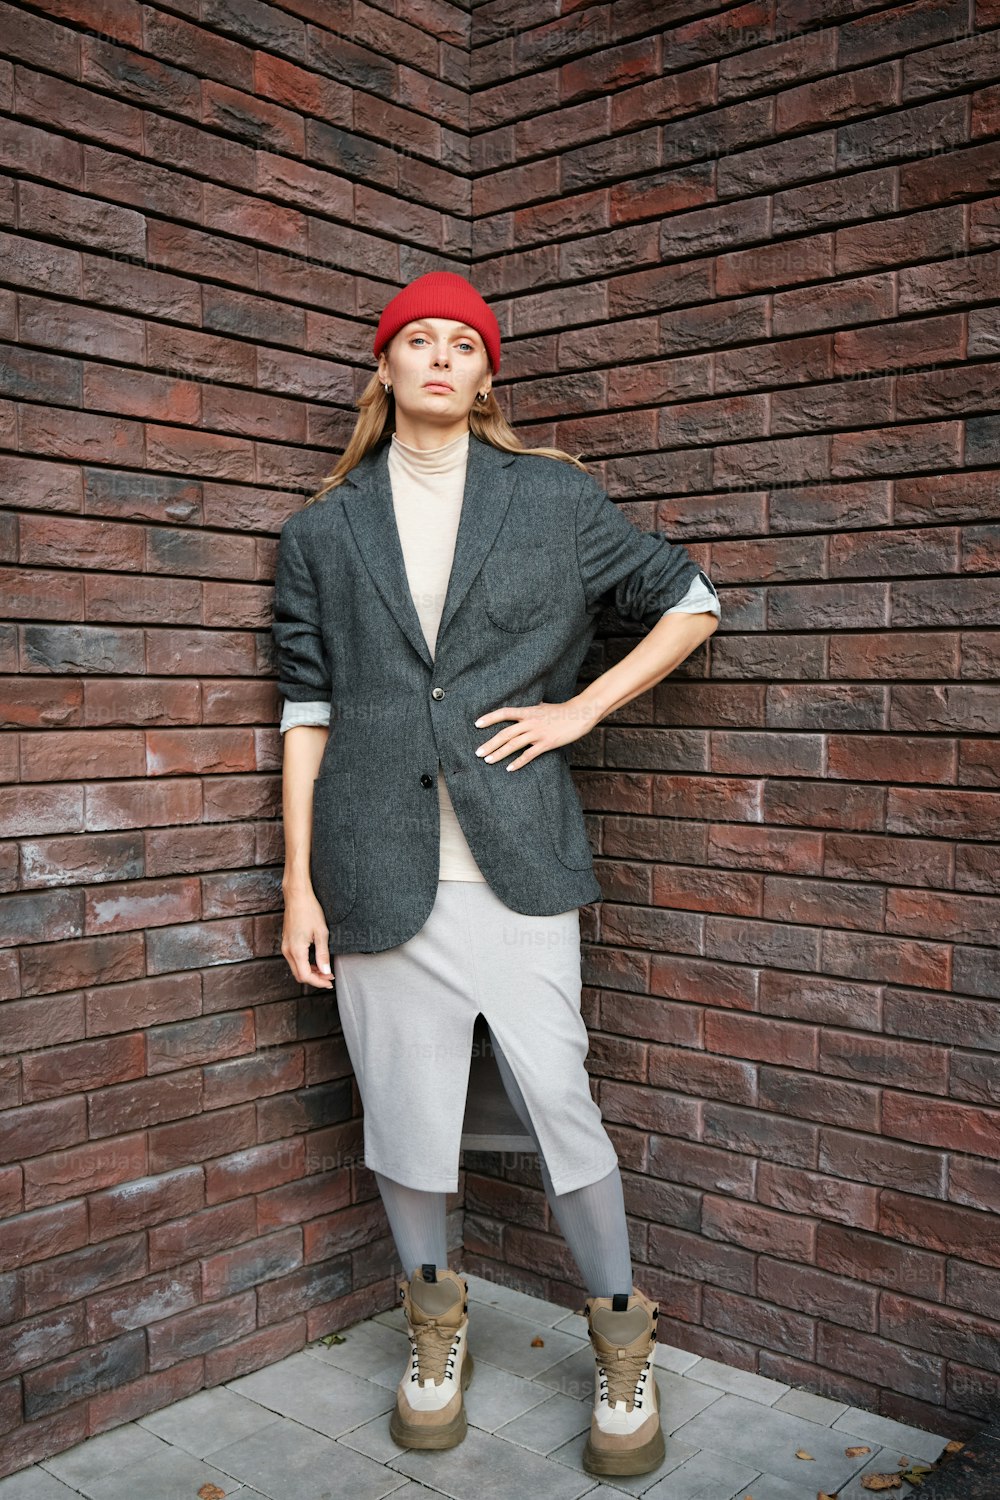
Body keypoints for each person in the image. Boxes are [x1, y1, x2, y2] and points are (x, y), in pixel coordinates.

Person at [272, 270, 720, 1476]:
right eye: (413, 342)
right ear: (384, 369)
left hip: (517, 865)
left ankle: (621, 1348)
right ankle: (434, 1334)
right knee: (405, 1120)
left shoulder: (552, 501)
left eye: (458, 345)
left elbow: (690, 600)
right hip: (371, 866)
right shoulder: (322, 530)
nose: (435, 359)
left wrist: (577, 709)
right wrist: (296, 884)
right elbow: (304, 710)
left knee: (558, 1106)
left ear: (485, 373)